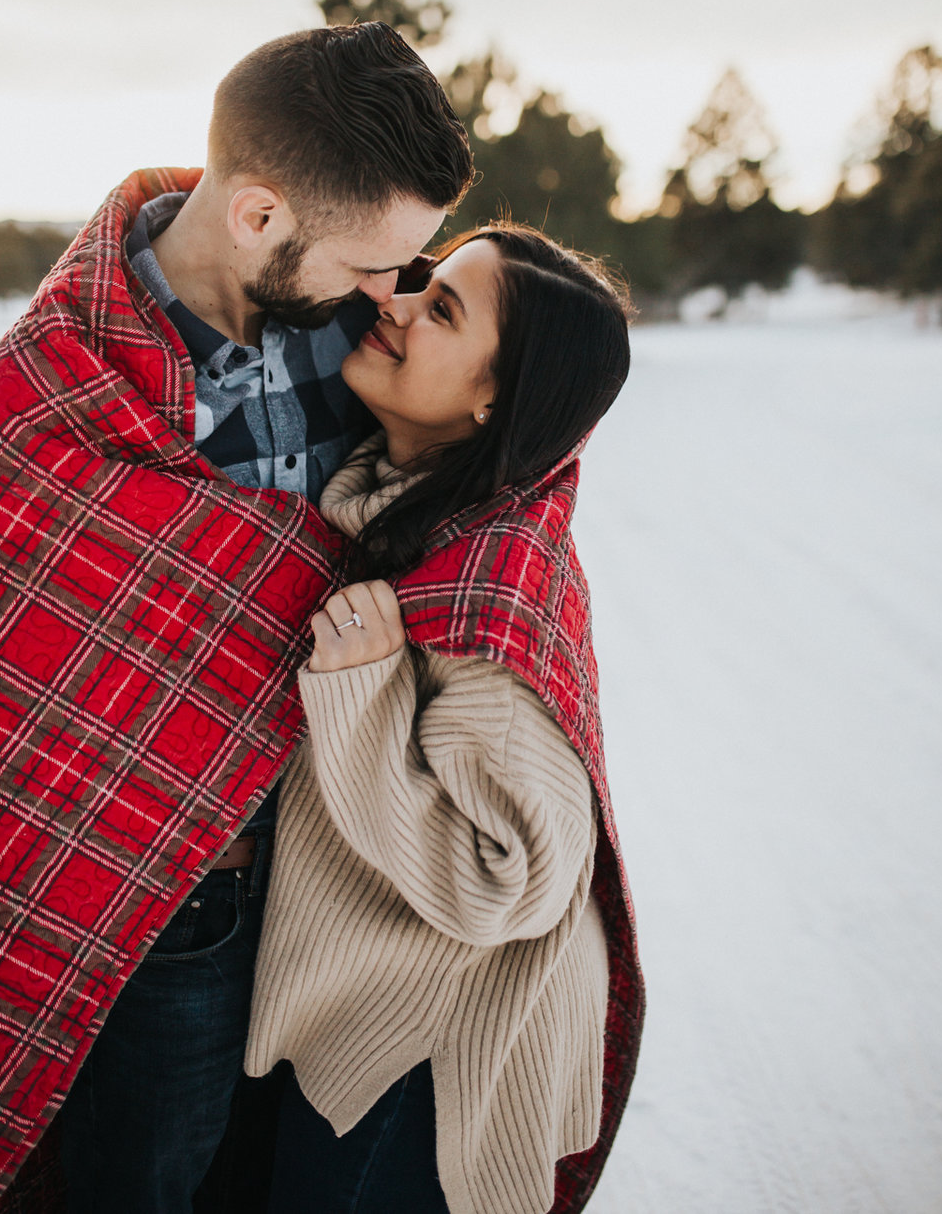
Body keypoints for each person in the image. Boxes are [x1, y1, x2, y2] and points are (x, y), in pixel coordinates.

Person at [0, 22, 473, 1214]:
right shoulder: (52, 384)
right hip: (169, 905)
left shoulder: (364, 338)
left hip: (334, 879)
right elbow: (5, 673)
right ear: (256, 217)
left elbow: (498, 460)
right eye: (370, 263)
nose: (395, 297)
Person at [245, 227, 646, 1214]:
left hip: (424, 1063)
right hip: (378, 1023)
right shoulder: (408, 514)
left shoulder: (489, 583)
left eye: (442, 312)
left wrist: (363, 692)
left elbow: (510, 882)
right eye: (422, 283)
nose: (396, 304)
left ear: (492, 401)